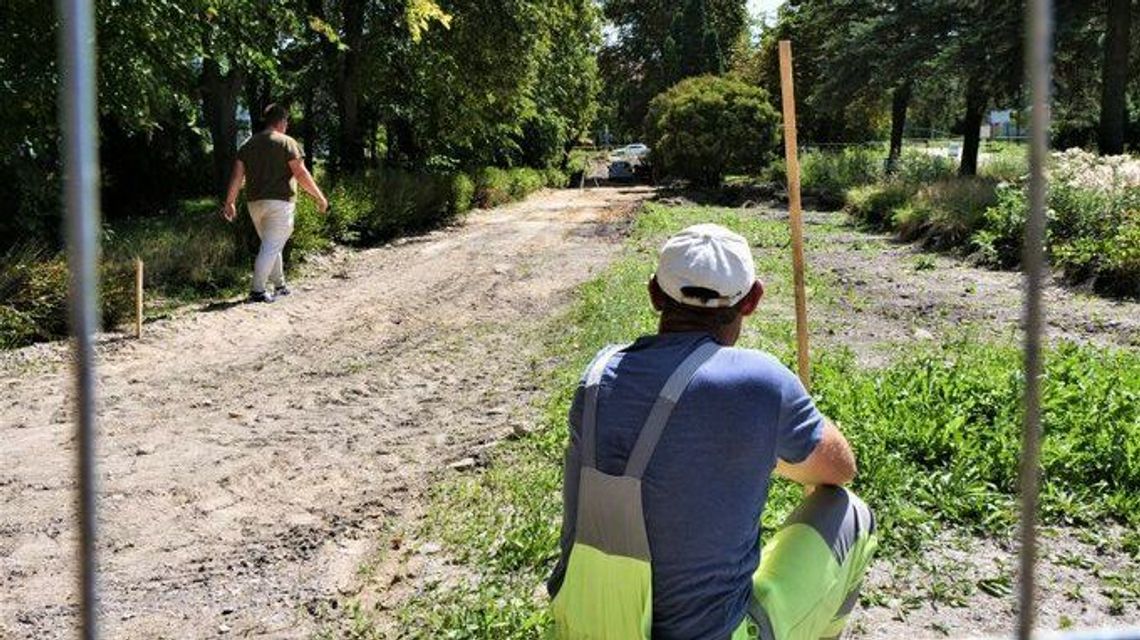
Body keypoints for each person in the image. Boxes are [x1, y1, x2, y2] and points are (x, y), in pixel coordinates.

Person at [548, 224, 877, 640]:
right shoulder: (761, 381)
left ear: (654, 293)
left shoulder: (597, 376)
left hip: (588, 628)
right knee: (850, 511)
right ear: (753, 300)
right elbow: (839, 469)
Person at [221, 103, 328, 303]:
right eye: (286, 121)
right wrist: (319, 197)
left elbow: (237, 176)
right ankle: (257, 291)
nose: (287, 125)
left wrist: (230, 201)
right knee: (271, 246)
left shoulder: (248, 144)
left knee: (271, 244)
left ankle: (280, 286)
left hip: (254, 204)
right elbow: (300, 173)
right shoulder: (287, 143)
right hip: (280, 203)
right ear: (281, 122)